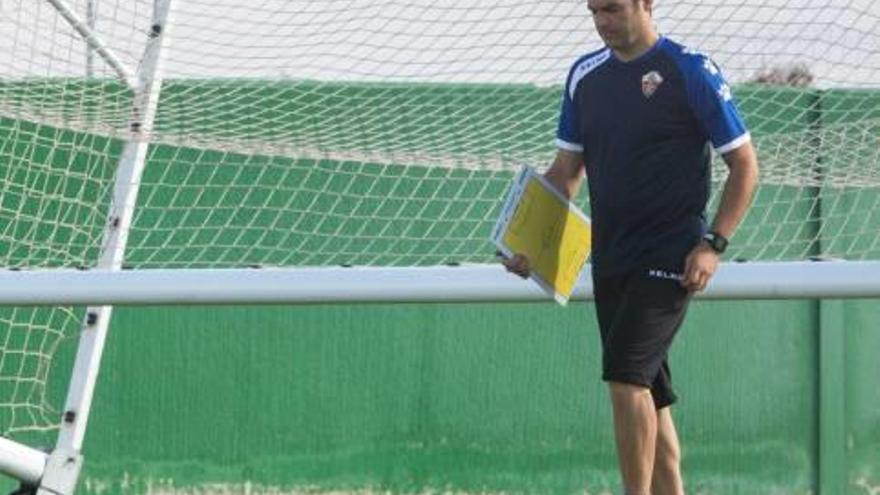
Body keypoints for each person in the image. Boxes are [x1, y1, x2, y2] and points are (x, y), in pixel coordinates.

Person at [501, 0, 759, 493]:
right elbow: (566, 174)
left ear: (647, 3)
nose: (603, 21)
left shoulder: (690, 71)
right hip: (611, 258)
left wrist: (713, 244)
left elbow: (745, 166)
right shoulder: (585, 76)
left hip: (670, 256)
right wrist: (527, 244)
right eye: (595, 11)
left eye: (614, 10)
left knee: (625, 381)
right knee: (650, 397)